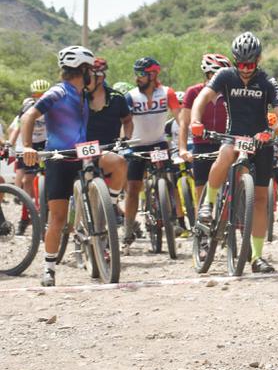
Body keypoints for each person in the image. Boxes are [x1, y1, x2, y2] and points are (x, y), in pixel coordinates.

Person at [192, 32, 278, 272]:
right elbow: (203, 97)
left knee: (261, 199)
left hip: (260, 141)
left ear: (259, 59)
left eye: (251, 64)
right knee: (225, 155)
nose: (246, 69)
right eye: (241, 64)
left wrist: (271, 132)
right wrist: (196, 120)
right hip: (232, 135)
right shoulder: (225, 76)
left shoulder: (268, 81)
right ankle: (209, 203)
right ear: (234, 61)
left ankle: (256, 257)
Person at [20, 46, 96, 286]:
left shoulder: (84, 93)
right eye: (90, 70)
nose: (92, 75)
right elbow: (28, 116)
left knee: (100, 196)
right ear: (83, 70)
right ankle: (49, 267)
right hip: (58, 158)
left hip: (83, 155)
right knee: (58, 217)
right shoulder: (58, 92)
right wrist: (28, 146)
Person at [122, 57, 182, 254]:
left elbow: (180, 117)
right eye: (136, 73)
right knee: (132, 189)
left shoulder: (167, 93)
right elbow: (125, 122)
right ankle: (128, 230)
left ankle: (173, 216)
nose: (136, 78)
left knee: (169, 178)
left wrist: (185, 139)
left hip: (158, 144)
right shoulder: (130, 96)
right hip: (137, 146)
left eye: (140, 74)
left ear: (153, 74)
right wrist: (123, 142)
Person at [179, 54, 231, 203]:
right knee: (201, 196)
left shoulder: (229, 93)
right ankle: (199, 224)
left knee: (228, 190)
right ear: (208, 74)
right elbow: (184, 123)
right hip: (201, 145)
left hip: (225, 144)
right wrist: (183, 149)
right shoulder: (193, 92)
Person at [85, 58, 131, 204]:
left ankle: (111, 204)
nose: (85, 80)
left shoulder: (117, 98)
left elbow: (127, 120)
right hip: (81, 148)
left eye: (88, 77)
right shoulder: (78, 97)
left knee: (121, 162)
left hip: (108, 148)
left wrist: (126, 138)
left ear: (100, 77)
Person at [9, 79, 49, 234]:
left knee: (51, 179)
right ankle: (25, 217)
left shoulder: (53, 105)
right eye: (37, 94)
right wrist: (9, 144)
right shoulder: (27, 107)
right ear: (33, 94)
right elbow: (18, 127)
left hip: (46, 142)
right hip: (30, 144)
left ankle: (50, 215)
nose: (40, 97)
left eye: (43, 94)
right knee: (27, 180)